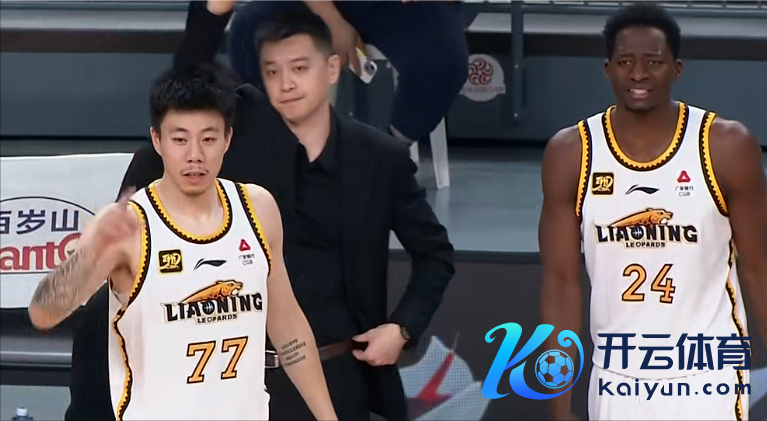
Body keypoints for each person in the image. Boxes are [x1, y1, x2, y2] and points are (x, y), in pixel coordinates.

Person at [65, 3, 455, 421]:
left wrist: (402, 328)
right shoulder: (230, 137)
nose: (286, 84)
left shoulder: (379, 159)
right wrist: (213, 13)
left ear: (331, 69)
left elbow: (434, 254)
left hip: (336, 373)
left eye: (300, 68)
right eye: (273, 71)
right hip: (222, 382)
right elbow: (184, 88)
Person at [30, 63, 338, 421]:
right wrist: (90, 253)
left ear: (227, 139)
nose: (195, 155)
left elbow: (288, 326)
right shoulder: (130, 225)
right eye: (180, 139)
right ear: (157, 140)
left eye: (208, 139)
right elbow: (42, 314)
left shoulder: (258, 209)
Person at [538, 3, 767, 420]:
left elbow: (759, 270)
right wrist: (559, 407)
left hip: (708, 373)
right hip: (617, 376)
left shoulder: (726, 146)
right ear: (607, 69)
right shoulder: (572, 153)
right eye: (625, 62)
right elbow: (561, 285)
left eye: (654, 62)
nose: (638, 74)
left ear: (677, 69)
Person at [225, 0, 468, 144]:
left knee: (443, 61)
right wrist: (333, 21)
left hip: (400, 8)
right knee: (249, 29)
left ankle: (388, 154)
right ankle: (276, 146)